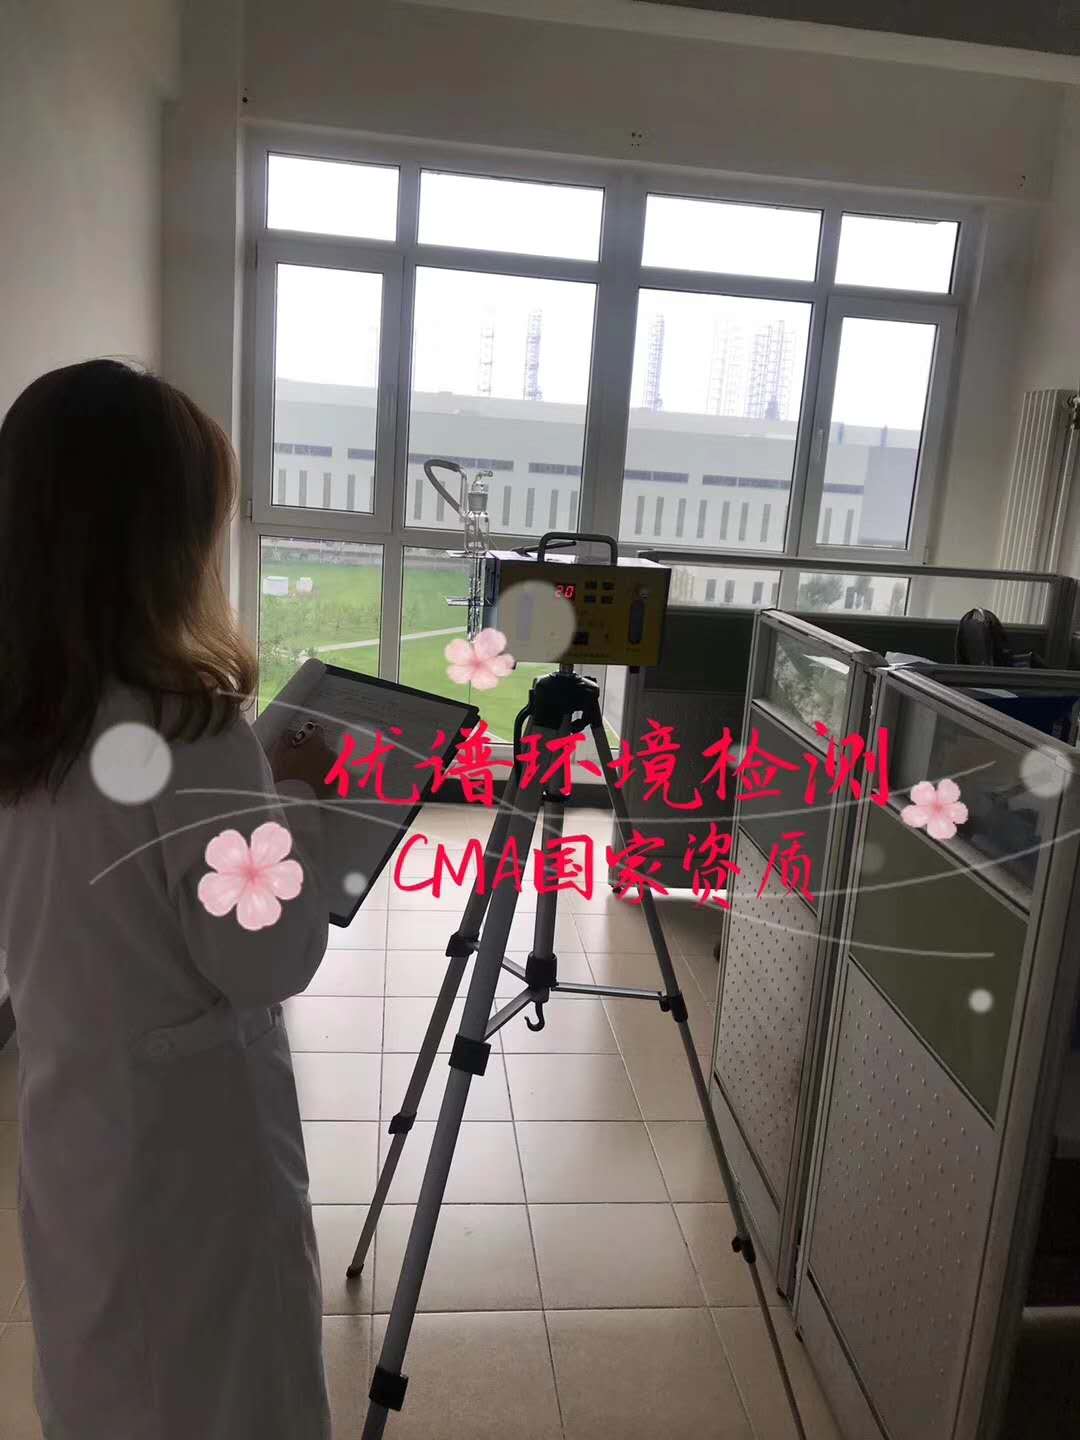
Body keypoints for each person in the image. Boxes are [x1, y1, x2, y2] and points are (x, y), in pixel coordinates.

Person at [0, 360, 339, 1439]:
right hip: (194, 1157)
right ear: (166, 545)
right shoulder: (189, 732)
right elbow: (266, 957)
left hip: (74, 1119)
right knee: (222, 1384)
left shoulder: (28, 719)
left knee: (102, 1368)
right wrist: (299, 807)